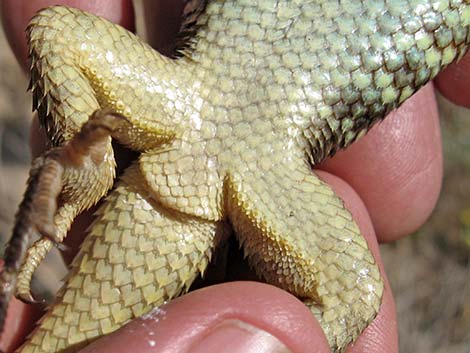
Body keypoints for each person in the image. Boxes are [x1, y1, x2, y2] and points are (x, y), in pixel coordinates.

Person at [1, 1, 469, 352]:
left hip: (250, 150)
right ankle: (89, 175)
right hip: (199, 109)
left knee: (353, 296)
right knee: (56, 31)